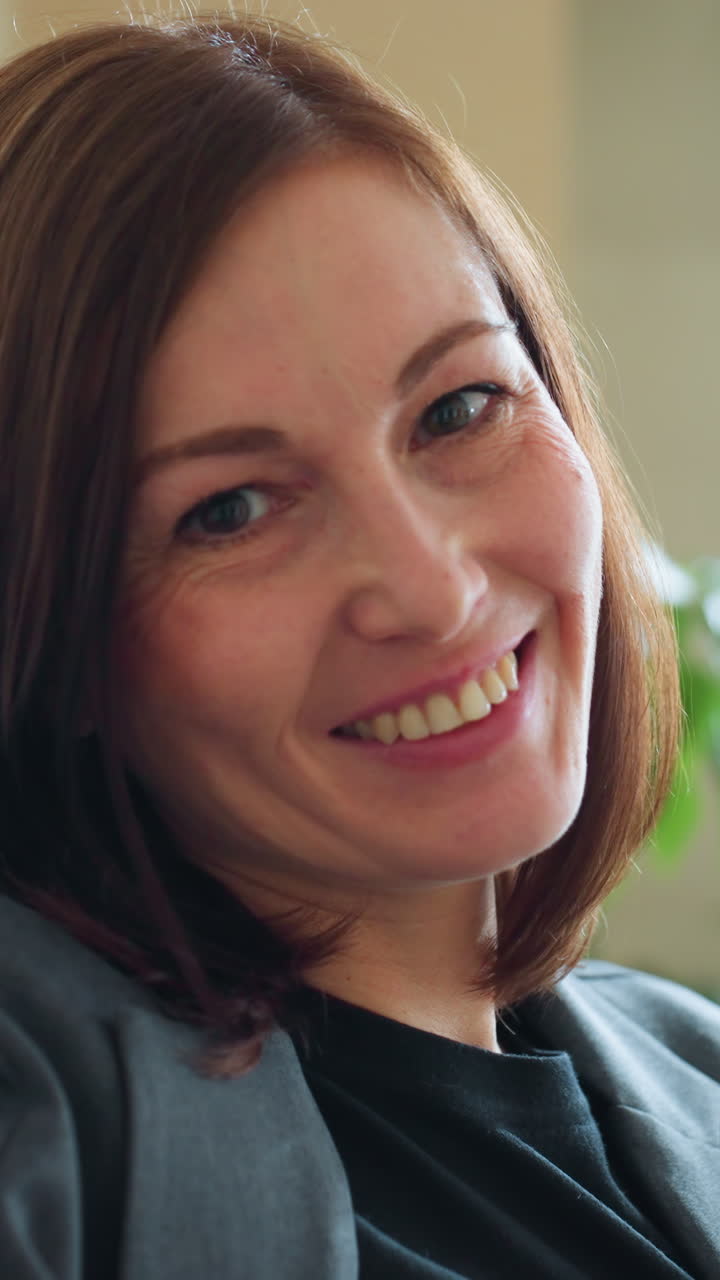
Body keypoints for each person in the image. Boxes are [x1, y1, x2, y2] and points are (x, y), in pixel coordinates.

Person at [0, 13, 717, 1279]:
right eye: (228, 508)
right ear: (49, 630)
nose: (432, 592)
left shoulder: (694, 1061)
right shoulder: (46, 1140)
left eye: (459, 405)